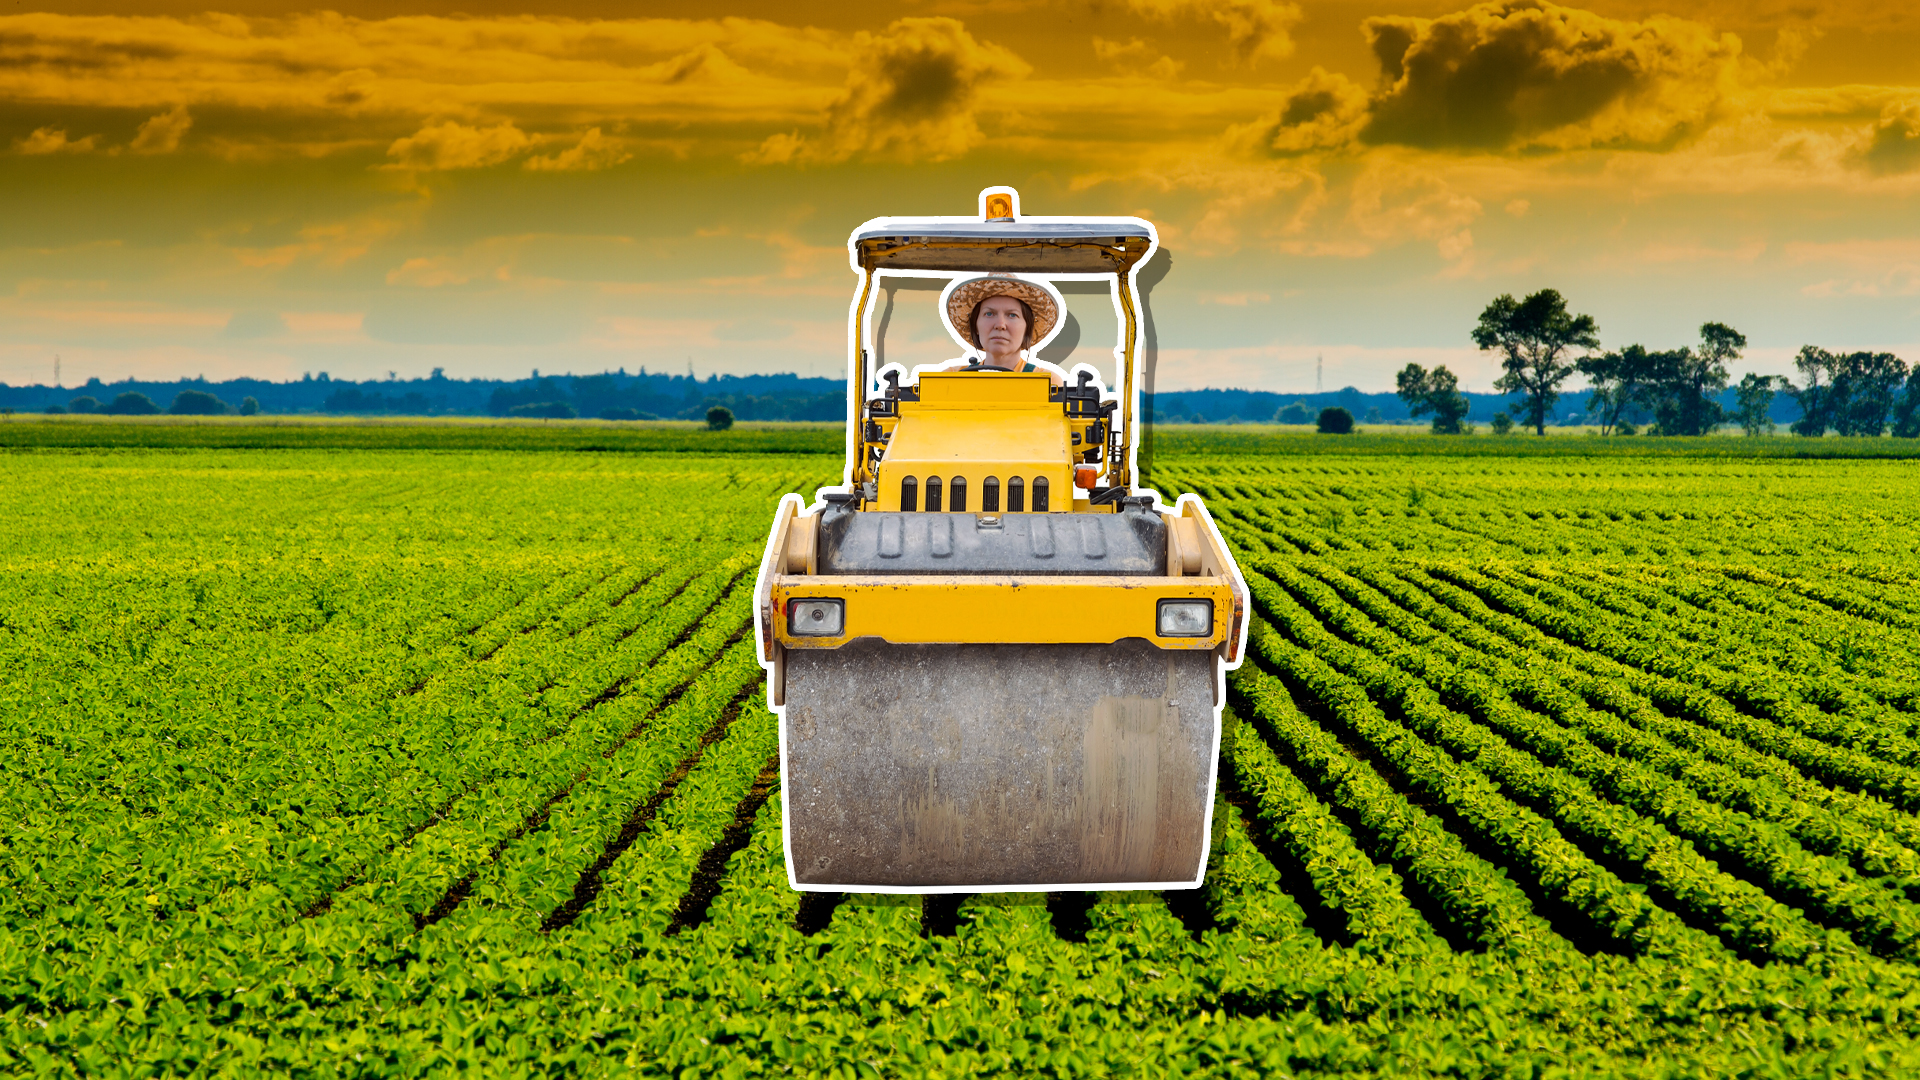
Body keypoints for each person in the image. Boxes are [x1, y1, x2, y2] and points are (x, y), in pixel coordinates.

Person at [938, 274, 1066, 386]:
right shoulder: (951, 377)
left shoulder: (1047, 382)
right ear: (975, 325)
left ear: (1027, 328)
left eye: (1012, 315)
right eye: (989, 314)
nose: (1000, 325)